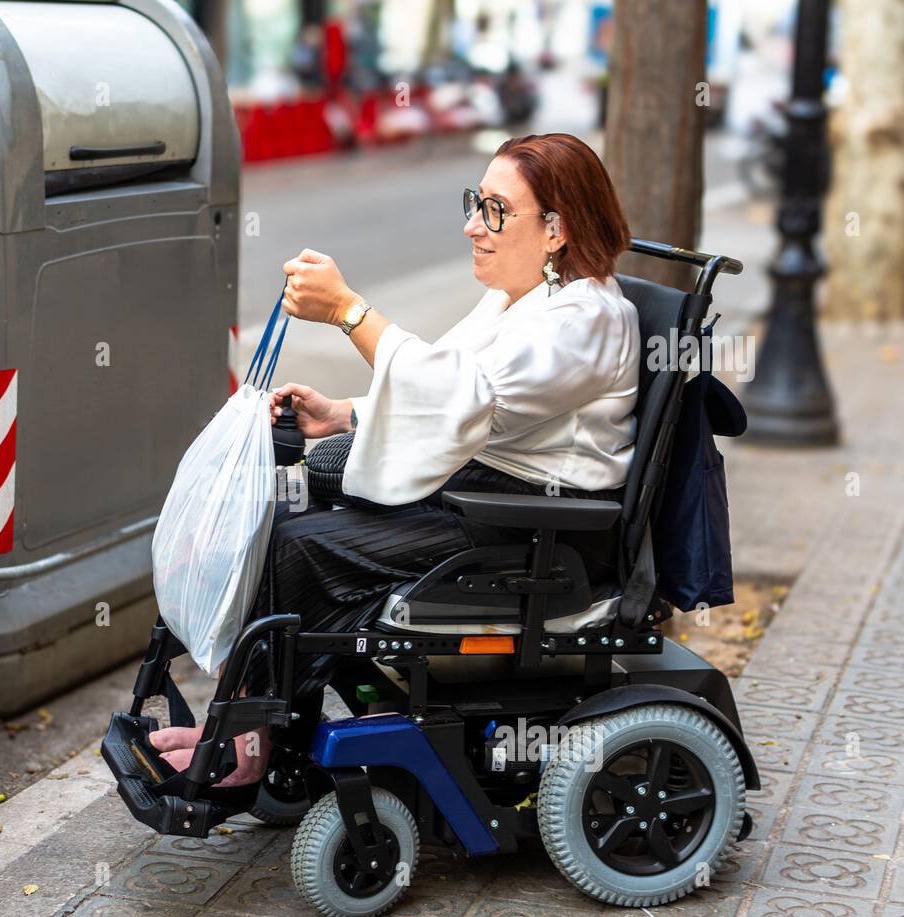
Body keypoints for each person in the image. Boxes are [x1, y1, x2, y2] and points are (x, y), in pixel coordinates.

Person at [151, 132, 640, 788]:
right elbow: (447, 392)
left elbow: (458, 396)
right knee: (286, 518)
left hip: (536, 526)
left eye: (495, 211)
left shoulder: (585, 320)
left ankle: (249, 740)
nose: (473, 225)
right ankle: (252, 724)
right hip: (489, 495)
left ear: (556, 230)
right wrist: (344, 413)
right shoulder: (521, 296)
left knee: (299, 548)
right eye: (476, 202)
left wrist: (349, 311)